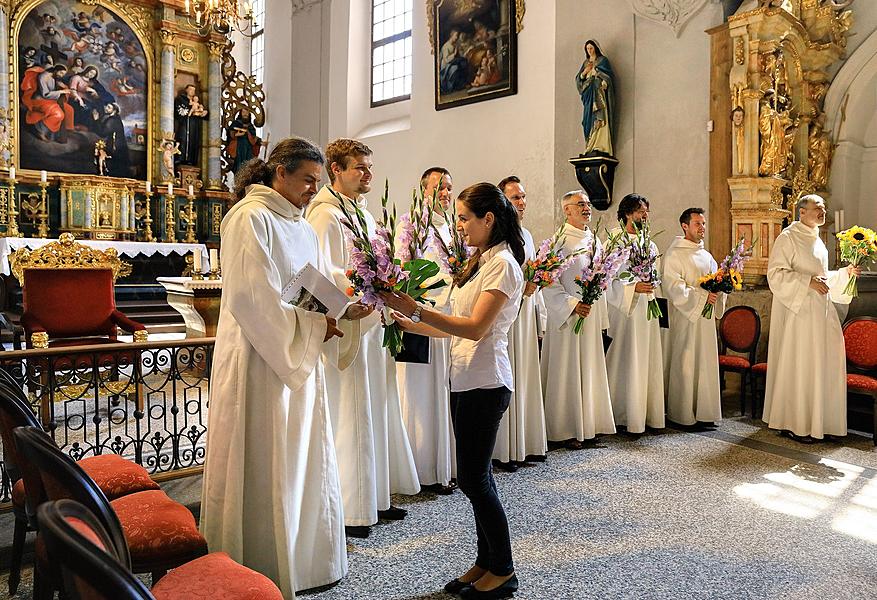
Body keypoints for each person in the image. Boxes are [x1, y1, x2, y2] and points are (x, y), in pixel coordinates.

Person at [200, 137, 354, 599]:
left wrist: (342, 310)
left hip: (296, 351)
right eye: (307, 180)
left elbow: (306, 283)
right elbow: (254, 296)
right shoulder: (250, 218)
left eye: (318, 181)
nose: (313, 189)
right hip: (260, 356)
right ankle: (256, 560)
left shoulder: (301, 224)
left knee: (301, 450)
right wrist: (311, 327)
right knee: (265, 449)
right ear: (278, 172)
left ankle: (306, 555)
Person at [381, 182, 524, 599]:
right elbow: (451, 323)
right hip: (464, 378)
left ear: (488, 219)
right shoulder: (480, 261)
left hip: (486, 381)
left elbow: (477, 328)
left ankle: (504, 568)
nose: (459, 226)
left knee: (476, 480)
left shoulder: (503, 266)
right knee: (476, 479)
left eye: (465, 218)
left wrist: (416, 309)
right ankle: (486, 560)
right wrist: (411, 324)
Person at [305, 138, 420, 539]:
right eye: (360, 168)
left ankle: (375, 497)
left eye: (370, 168)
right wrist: (351, 302)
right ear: (335, 169)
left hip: (373, 323)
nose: (369, 175)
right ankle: (352, 507)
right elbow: (324, 273)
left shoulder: (363, 215)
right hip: (350, 324)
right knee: (352, 410)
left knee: (376, 407)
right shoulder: (325, 216)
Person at [763, 194, 858, 442]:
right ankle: (794, 422)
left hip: (820, 314)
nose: (822, 211)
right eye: (818, 208)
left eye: (824, 208)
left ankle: (818, 421)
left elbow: (822, 277)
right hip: (799, 316)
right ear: (801, 212)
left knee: (819, 365)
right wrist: (807, 282)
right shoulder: (788, 238)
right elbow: (775, 274)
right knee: (801, 365)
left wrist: (845, 274)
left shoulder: (818, 241)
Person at [396, 166, 457, 494]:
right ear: (423, 192)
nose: (446, 194)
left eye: (449, 187)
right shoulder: (410, 224)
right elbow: (402, 267)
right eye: (439, 188)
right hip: (420, 315)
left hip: (447, 315)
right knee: (419, 393)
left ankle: (444, 465)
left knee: (443, 389)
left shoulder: (452, 227)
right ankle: (419, 469)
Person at [541, 190, 616, 447]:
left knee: (590, 367)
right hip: (568, 317)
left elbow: (603, 277)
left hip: (590, 314)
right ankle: (566, 428)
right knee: (567, 370)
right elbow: (548, 283)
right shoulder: (558, 242)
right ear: (567, 210)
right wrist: (573, 304)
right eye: (580, 204)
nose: (586, 208)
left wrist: (595, 305)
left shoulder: (595, 240)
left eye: (587, 204)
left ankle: (589, 424)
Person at [492, 175, 547, 470]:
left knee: (524, 372)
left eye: (523, 196)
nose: (522, 202)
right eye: (515, 198)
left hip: (524, 312)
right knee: (506, 371)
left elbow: (533, 271)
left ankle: (523, 445)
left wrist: (535, 286)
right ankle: (502, 449)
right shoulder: (498, 235)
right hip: (505, 314)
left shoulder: (527, 235)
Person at [604, 194, 665, 434]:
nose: (645, 216)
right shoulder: (614, 240)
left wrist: (652, 282)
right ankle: (621, 414)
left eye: (646, 212)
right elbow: (606, 277)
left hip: (646, 308)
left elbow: (656, 273)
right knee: (625, 357)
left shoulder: (650, 244)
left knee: (645, 357)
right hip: (624, 310)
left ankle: (646, 413)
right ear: (627, 213)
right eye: (640, 211)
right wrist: (632, 288)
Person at [662, 207, 725, 428]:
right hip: (686, 319)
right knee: (686, 363)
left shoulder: (707, 255)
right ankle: (682, 414)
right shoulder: (674, 254)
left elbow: (717, 280)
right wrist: (701, 297)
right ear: (684, 226)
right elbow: (673, 286)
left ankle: (705, 412)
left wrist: (719, 292)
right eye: (698, 223)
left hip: (705, 321)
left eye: (704, 224)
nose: (702, 228)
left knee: (705, 363)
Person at [575, 39, 615, 155]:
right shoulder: (585, 63)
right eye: (587, 49)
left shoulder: (603, 61)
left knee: (599, 118)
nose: (590, 50)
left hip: (598, 96)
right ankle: (590, 145)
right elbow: (579, 80)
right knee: (587, 120)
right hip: (588, 96)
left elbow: (608, 77)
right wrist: (584, 73)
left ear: (596, 48)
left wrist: (600, 79)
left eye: (591, 48)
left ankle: (601, 146)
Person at [20, 64, 75, 143]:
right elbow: (45, 94)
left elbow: (57, 88)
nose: (62, 75)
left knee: (68, 109)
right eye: (61, 73)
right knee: (59, 114)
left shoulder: (54, 77)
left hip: (50, 101)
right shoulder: (43, 77)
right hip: (39, 101)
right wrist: (61, 91)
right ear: (56, 71)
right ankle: (41, 131)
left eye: (63, 74)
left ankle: (61, 133)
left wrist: (64, 88)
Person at [174, 83, 208, 166]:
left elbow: (200, 112)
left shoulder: (196, 101)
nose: (192, 91)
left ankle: (191, 160)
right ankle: (181, 159)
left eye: (193, 90)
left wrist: (204, 113)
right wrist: (191, 110)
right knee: (183, 139)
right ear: (186, 90)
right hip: (184, 123)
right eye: (190, 89)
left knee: (193, 141)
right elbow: (180, 112)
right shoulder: (180, 99)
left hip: (194, 125)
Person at [229, 108, 262, 175]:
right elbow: (231, 134)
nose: (245, 114)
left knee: (248, 166)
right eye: (243, 112)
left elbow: (253, 139)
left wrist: (258, 141)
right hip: (238, 148)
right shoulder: (236, 123)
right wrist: (237, 134)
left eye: (247, 112)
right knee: (239, 165)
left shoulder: (251, 126)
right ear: (240, 113)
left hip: (248, 149)